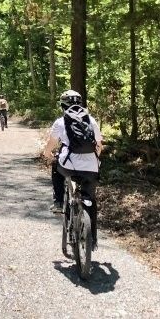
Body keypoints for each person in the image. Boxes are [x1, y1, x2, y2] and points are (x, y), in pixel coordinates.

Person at [42, 89, 103, 247]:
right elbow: (99, 147)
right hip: (91, 167)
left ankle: (58, 201)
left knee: (56, 165)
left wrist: (48, 155)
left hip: (69, 165)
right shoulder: (92, 120)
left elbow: (51, 144)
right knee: (91, 199)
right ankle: (93, 239)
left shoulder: (60, 121)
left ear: (63, 105)